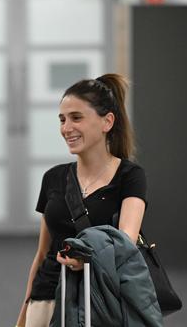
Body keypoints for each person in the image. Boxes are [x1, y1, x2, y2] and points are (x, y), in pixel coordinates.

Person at [15, 74, 147, 327]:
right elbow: (43, 253)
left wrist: (88, 259)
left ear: (107, 121)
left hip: (102, 301)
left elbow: (126, 241)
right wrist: (23, 315)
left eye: (76, 118)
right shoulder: (54, 178)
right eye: (62, 120)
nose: (66, 128)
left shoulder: (130, 177)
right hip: (46, 300)